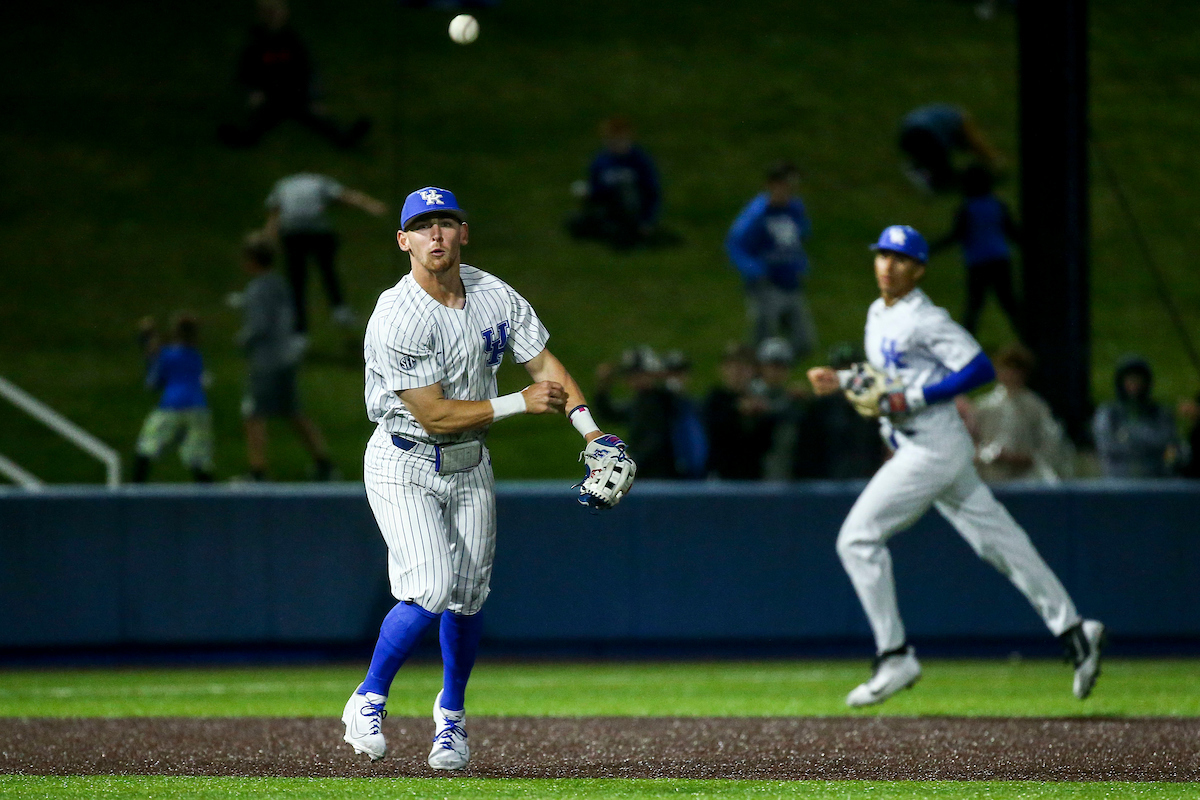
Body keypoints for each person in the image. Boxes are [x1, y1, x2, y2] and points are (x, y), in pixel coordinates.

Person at [342, 187, 632, 769]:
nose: (436, 235)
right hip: (405, 457)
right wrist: (519, 404)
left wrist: (592, 433)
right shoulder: (396, 314)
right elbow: (433, 413)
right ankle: (368, 698)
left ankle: (450, 719)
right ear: (404, 241)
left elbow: (546, 365)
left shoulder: (493, 293)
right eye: (423, 227)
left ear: (464, 232)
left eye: (445, 222)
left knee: (469, 597)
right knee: (429, 585)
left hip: (470, 460)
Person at [806, 224, 1104, 707]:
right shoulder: (877, 313)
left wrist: (921, 394)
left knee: (857, 539)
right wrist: (842, 379)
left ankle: (895, 654)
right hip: (922, 444)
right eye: (882, 255)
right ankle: (1075, 629)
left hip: (932, 446)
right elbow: (889, 380)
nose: (888, 264)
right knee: (1002, 543)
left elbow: (979, 368)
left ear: (919, 269)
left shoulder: (927, 318)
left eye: (900, 259)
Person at [235, 232, 335, 481]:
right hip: (286, 357)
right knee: (293, 411)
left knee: (253, 414)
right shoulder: (279, 284)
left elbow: (259, 325)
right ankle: (324, 463)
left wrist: (243, 340)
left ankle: (257, 472)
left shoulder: (257, 288)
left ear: (251, 260)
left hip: (266, 361)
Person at [218, 0, 371, 149]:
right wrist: (254, 92)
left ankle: (346, 137)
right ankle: (238, 137)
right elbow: (246, 72)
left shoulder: (294, 41)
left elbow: (308, 71)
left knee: (318, 120)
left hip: (295, 96)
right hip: (270, 97)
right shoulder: (255, 44)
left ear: (284, 13)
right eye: (267, 12)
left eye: (276, 11)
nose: (272, 16)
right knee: (259, 124)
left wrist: (313, 98)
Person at [264, 172, 388, 335]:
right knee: (324, 272)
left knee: (300, 280)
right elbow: (345, 197)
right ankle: (338, 309)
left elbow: (275, 213)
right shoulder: (317, 182)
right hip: (314, 232)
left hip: (295, 234)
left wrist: (269, 236)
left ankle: (303, 327)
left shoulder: (285, 184)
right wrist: (371, 205)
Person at [726, 161, 817, 359]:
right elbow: (736, 245)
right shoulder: (757, 213)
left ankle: (778, 370)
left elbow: (800, 238)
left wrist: (800, 263)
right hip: (766, 285)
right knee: (763, 338)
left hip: (791, 284)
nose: (788, 191)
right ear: (771, 185)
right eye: (783, 185)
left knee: (804, 340)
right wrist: (755, 270)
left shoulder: (794, 210)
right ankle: (759, 376)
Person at [930, 164, 1022, 336]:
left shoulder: (966, 209)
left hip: (978, 263)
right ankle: (1029, 337)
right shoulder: (998, 205)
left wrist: (931, 248)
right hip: (1000, 259)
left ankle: (966, 343)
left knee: (974, 305)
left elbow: (956, 235)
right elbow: (1012, 232)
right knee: (1009, 302)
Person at [963, 343, 1073, 483]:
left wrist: (1024, 458)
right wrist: (986, 454)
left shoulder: (1035, 407)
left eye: (1016, 371)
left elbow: (1050, 444)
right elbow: (973, 440)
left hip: (1026, 478)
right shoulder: (985, 406)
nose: (1010, 375)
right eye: (1006, 369)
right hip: (991, 475)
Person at [131, 313, 214, 483]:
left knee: (147, 447)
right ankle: (211, 501)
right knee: (199, 458)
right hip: (198, 408)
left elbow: (152, 383)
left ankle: (134, 492)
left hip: (171, 406)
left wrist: (148, 344)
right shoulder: (196, 355)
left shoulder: (166, 355)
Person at [566, 116, 663, 250]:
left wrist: (647, 220)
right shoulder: (601, 161)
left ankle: (628, 233)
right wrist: (587, 193)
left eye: (620, 140)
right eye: (611, 140)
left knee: (625, 192)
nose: (616, 144)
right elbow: (597, 189)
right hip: (610, 208)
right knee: (575, 221)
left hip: (632, 210)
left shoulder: (640, 160)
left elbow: (652, 192)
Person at [792, 342, 885, 480]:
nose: (846, 374)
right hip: (825, 483)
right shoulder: (820, 407)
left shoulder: (875, 405)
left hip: (866, 480)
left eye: (850, 368)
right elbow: (807, 451)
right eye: (841, 368)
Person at [593, 346, 678, 478]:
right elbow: (609, 413)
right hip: (650, 472)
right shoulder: (642, 401)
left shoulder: (661, 401)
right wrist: (603, 387)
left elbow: (654, 442)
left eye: (635, 373)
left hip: (661, 474)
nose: (631, 379)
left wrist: (632, 461)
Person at [1092, 356, 1181, 478]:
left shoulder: (1159, 413)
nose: (1134, 384)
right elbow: (1107, 446)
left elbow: (1166, 442)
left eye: (1138, 379)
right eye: (1130, 379)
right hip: (1118, 480)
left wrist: (1128, 434)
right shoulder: (1109, 413)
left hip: (1154, 480)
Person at [898, 104, 1001, 194]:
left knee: (934, 163)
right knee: (945, 177)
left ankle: (919, 167)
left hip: (906, 135)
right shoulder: (959, 119)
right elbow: (975, 143)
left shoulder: (945, 115)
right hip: (925, 135)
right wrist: (993, 159)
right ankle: (923, 175)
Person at [702, 342, 770, 480]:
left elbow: (766, 443)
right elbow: (712, 431)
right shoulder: (715, 399)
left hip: (752, 476)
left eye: (744, 367)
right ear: (723, 369)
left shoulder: (759, 400)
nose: (738, 372)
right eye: (733, 366)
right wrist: (736, 410)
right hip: (721, 474)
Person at [748, 337, 802, 480]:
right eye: (772, 365)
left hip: (784, 473)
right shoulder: (748, 395)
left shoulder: (791, 398)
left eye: (781, 366)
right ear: (761, 367)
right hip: (752, 474)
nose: (776, 371)